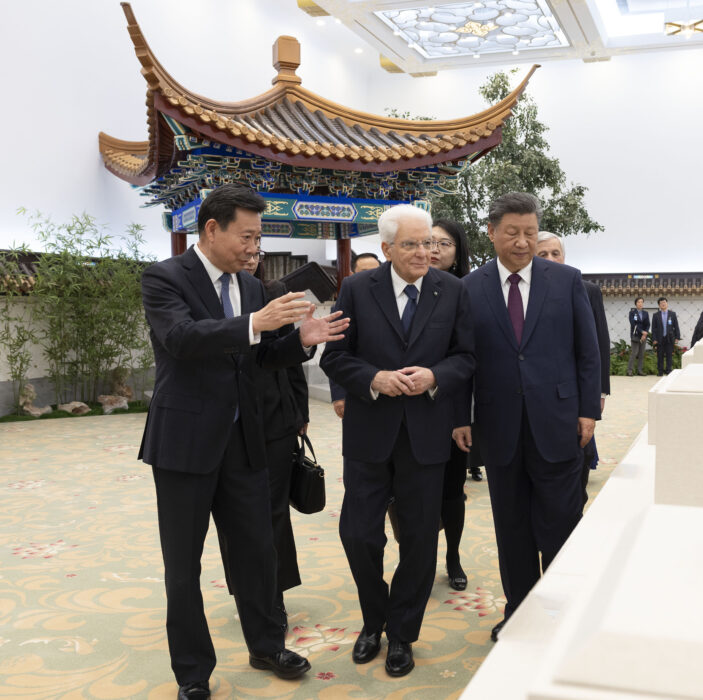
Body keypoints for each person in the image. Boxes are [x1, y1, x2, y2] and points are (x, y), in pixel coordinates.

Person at [139, 184, 348, 699]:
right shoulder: (164, 277)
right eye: (247, 236)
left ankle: (267, 644)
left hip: (247, 443)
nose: (255, 247)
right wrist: (256, 324)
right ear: (212, 229)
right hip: (185, 444)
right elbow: (182, 340)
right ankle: (193, 672)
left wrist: (298, 341)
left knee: (259, 551)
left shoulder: (252, 287)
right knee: (183, 565)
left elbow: (258, 358)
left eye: (259, 237)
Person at [320, 204, 474, 677]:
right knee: (358, 534)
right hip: (370, 434)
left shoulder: (452, 290)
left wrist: (434, 375)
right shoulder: (355, 288)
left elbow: (467, 357)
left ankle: (402, 633)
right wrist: (374, 379)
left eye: (428, 242)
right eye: (411, 244)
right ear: (386, 249)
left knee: (421, 539)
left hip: (426, 437)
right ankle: (374, 619)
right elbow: (335, 357)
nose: (424, 252)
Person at [453, 192, 600, 643]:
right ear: (492, 232)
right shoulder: (468, 288)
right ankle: (518, 609)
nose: (522, 242)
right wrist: (461, 416)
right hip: (498, 428)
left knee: (560, 522)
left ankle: (561, 610)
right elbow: (461, 358)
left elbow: (588, 352)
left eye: (530, 233)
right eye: (512, 232)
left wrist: (588, 411)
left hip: (558, 422)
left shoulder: (566, 280)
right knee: (511, 527)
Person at [217, 251, 309, 632]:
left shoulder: (273, 294)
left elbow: (290, 360)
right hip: (227, 419)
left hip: (275, 418)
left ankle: (275, 597)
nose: (251, 256)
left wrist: (300, 412)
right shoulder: (209, 296)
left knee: (274, 513)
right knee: (232, 517)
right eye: (245, 245)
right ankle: (247, 594)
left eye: (257, 251)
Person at [536, 231, 610, 510]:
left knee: (579, 446)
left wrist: (600, 392)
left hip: (578, 389)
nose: (551, 259)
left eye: (556, 253)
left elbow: (598, 344)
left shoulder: (585, 288)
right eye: (543, 254)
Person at [428, 218, 476, 590]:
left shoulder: (467, 291)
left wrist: (464, 417)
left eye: (444, 244)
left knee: (451, 492)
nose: (434, 250)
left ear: (458, 251)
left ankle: (453, 555)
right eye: (429, 242)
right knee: (415, 494)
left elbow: (469, 360)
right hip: (408, 405)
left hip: (453, 409)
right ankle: (421, 557)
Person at [333, 252, 382, 419]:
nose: (371, 276)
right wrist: (339, 395)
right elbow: (336, 352)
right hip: (358, 391)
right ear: (352, 275)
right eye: (364, 272)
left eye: (375, 271)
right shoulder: (344, 306)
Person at [651, 297, 681, 376]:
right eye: (661, 303)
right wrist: (654, 339)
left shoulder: (672, 314)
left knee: (669, 355)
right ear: (659, 305)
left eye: (664, 302)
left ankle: (668, 371)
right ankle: (660, 372)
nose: (663, 304)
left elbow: (676, 326)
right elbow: (653, 328)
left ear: (667, 304)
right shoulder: (655, 315)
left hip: (669, 338)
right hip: (659, 338)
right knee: (660, 356)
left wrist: (677, 337)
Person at [627, 297, 649, 376]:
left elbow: (648, 324)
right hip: (635, 335)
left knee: (641, 353)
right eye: (639, 302)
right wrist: (641, 331)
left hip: (643, 336)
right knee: (634, 353)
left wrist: (645, 332)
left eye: (642, 302)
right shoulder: (632, 313)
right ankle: (629, 370)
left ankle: (640, 370)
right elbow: (633, 324)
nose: (640, 304)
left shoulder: (645, 313)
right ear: (636, 303)